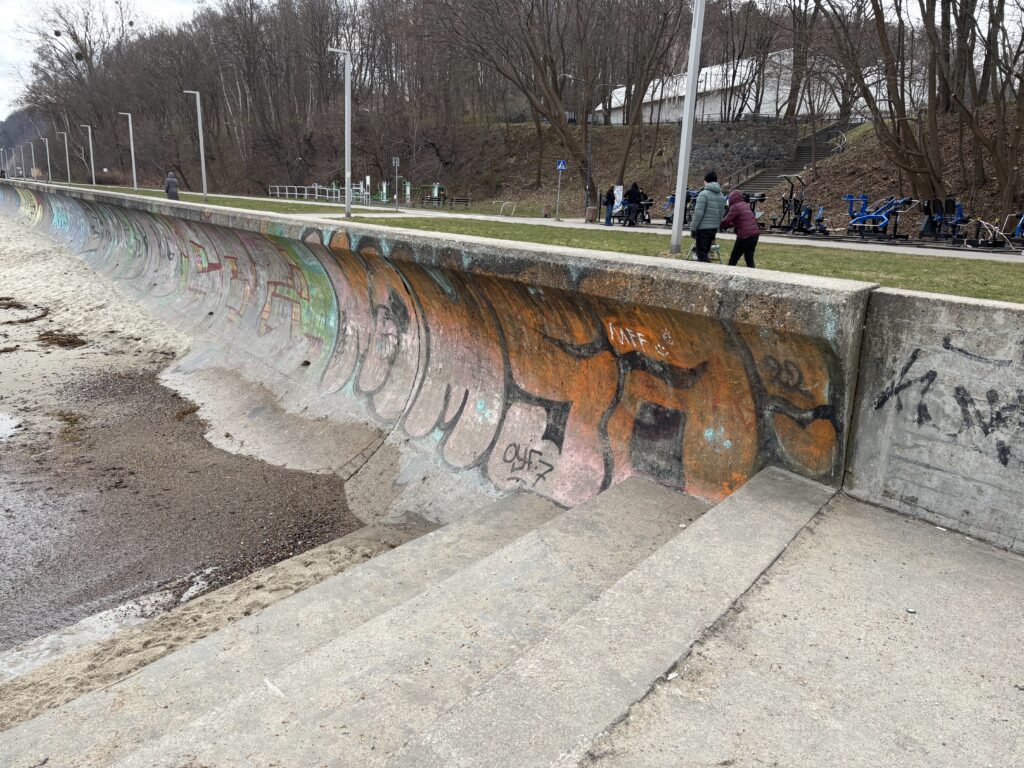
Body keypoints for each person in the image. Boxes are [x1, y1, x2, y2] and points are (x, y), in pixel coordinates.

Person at [689, 171, 726, 262]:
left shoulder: (703, 194)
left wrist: (693, 228)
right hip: (713, 228)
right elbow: (722, 213)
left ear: (706, 181)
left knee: (701, 253)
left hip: (703, 228)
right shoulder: (721, 195)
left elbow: (698, 213)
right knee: (706, 252)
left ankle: (708, 268)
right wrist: (717, 226)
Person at [720, 189, 760, 268]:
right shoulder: (745, 204)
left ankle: (729, 272)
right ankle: (753, 272)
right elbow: (741, 220)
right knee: (749, 257)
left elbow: (727, 220)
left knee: (734, 257)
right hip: (755, 234)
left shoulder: (735, 207)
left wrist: (720, 225)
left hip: (745, 235)